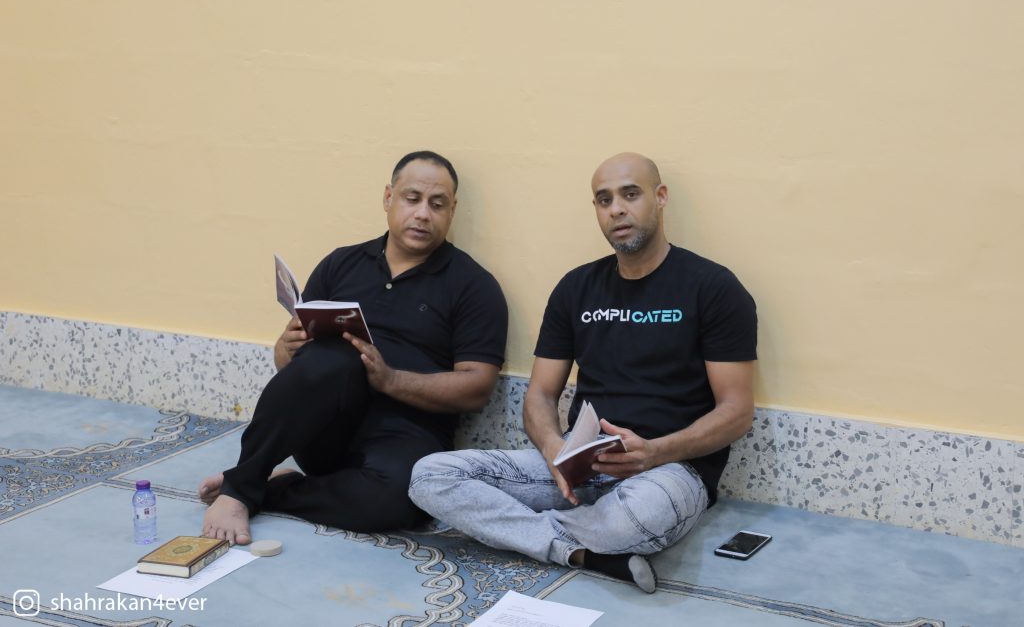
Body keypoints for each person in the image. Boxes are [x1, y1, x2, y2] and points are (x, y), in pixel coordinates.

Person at [409, 152, 756, 593]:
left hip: (670, 470)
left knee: (639, 517)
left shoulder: (714, 288)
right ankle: (581, 551)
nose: (617, 209)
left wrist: (654, 452)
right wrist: (556, 451)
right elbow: (539, 395)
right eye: (604, 200)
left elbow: (736, 411)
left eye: (630, 194)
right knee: (430, 475)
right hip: (582, 465)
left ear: (660, 197)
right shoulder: (576, 288)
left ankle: (534, 533)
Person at [200, 151, 508, 545]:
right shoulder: (341, 264)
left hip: (406, 432)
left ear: (452, 210)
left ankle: (274, 489)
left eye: (437, 204)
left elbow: (477, 388)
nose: (422, 214)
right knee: (337, 358)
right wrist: (285, 347)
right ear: (388, 198)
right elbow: (294, 371)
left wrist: (391, 380)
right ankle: (241, 488)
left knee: (395, 503)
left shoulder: (474, 286)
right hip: (326, 429)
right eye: (412, 198)